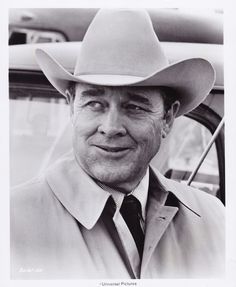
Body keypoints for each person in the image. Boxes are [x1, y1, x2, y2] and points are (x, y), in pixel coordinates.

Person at [10, 9, 224, 279]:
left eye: (134, 106)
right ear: (72, 108)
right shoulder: (12, 224)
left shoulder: (214, 221)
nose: (110, 127)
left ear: (168, 118)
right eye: (94, 103)